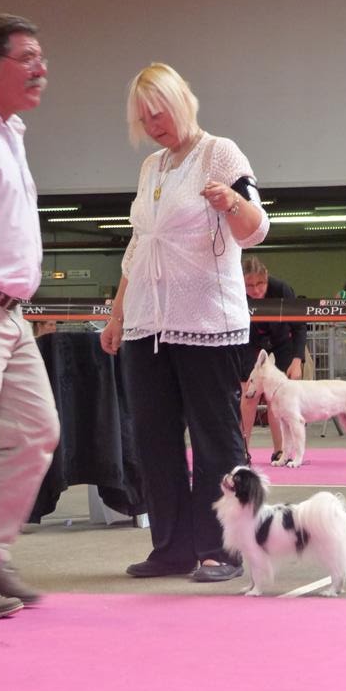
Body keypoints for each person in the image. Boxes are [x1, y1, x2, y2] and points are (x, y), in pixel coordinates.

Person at [100, 63, 269, 583]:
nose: (153, 125)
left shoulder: (220, 153)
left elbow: (256, 228)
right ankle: (171, 548)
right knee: (154, 439)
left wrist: (232, 202)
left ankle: (225, 548)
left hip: (207, 323)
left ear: (182, 102)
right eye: (143, 118)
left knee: (216, 439)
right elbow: (138, 245)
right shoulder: (151, 167)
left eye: (160, 113)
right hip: (146, 325)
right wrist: (117, 314)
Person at [0, 13, 60, 619]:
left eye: (41, 57)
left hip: (11, 317)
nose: (41, 68)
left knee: (36, 433)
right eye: (26, 57)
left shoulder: (10, 131)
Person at [240, 256, 306, 462]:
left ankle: (281, 451)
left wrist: (297, 359)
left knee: (278, 398)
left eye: (260, 283)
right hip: (248, 341)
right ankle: (242, 451)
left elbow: (299, 325)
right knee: (248, 395)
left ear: (267, 276)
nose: (256, 290)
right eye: (249, 285)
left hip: (281, 340)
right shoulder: (236, 291)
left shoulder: (282, 289)